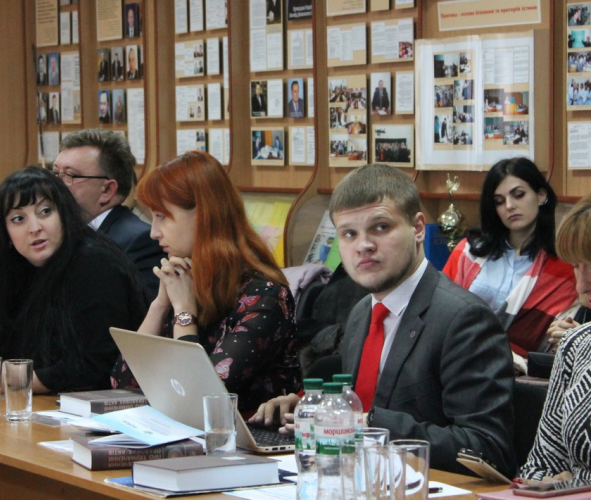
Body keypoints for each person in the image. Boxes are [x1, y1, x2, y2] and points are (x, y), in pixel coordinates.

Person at [252, 164, 515, 476]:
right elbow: (359, 411)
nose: (364, 245)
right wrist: (316, 412)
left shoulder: (465, 319)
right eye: (349, 234)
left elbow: (487, 448)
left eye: (380, 227)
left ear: (418, 228)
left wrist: (370, 424)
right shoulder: (363, 312)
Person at [111, 151, 301, 414]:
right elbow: (123, 385)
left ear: (202, 215)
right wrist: (160, 305)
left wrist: (184, 313)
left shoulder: (265, 296)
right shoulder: (188, 280)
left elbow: (198, 398)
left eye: (161, 216)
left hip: (248, 436)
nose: (153, 232)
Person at [0, 166, 146, 393]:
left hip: (106, 404)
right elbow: (0, 347)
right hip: (44, 403)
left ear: (64, 215)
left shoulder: (95, 263)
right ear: (6, 233)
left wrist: (12, 379)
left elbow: (96, 366)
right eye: (18, 219)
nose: (35, 228)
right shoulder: (12, 271)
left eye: (45, 211)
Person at [443, 158, 576, 372]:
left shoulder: (565, 266)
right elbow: (440, 311)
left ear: (541, 195)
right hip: (460, 365)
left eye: (519, 195)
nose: (509, 206)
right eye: (499, 201)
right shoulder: (468, 252)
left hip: (528, 376)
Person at [521, 194, 591, 483]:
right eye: (576, 266)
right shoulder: (577, 343)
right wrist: (547, 483)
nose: (582, 284)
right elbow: (537, 468)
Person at [54, 129, 166, 302]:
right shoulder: (58, 235)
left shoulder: (139, 241)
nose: (56, 184)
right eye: (55, 173)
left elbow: (145, 313)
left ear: (107, 190)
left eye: (70, 175)